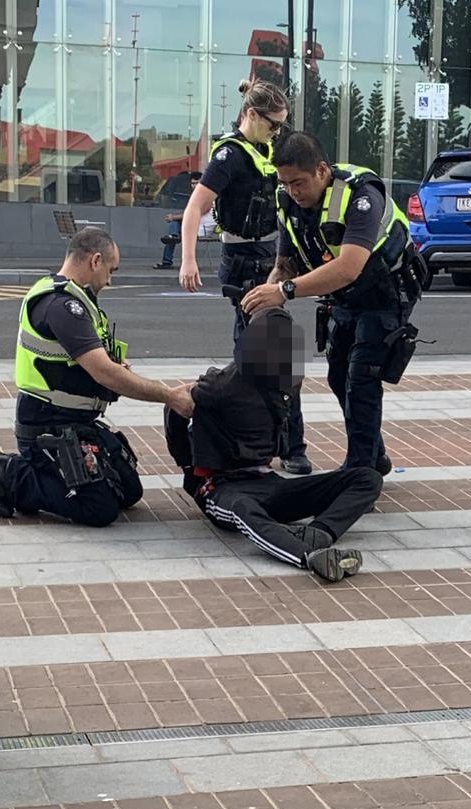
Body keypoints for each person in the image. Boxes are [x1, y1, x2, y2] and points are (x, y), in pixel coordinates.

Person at [0, 227, 194, 527]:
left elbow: (98, 364)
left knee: (129, 492)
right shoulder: (62, 305)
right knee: (100, 510)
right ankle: (10, 475)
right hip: (47, 426)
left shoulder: (77, 299)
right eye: (111, 269)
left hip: (77, 422)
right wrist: (168, 395)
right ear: (95, 261)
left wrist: (118, 367)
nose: (110, 280)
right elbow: (104, 372)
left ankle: (69, 470)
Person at [242, 131, 422, 474]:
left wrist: (285, 292)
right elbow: (286, 263)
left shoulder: (360, 197)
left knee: (362, 378)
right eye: (286, 183)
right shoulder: (289, 202)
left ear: (322, 171)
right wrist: (267, 297)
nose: (293, 191)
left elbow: (349, 266)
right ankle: (375, 456)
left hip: (386, 292)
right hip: (345, 297)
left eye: (299, 182)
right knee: (338, 376)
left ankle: (359, 473)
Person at [164, 307, 382, 582]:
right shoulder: (222, 384)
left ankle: (319, 533)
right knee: (245, 510)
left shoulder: (285, 382)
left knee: (367, 478)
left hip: (270, 483)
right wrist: (188, 469)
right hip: (223, 487)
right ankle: (308, 556)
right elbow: (174, 404)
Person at [179, 78, 311, 477]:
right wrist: (188, 260)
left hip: (272, 255)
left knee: (275, 351)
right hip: (242, 259)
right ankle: (263, 443)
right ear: (251, 115)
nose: (277, 133)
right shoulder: (229, 157)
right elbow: (194, 209)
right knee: (260, 354)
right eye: (273, 124)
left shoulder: (268, 151)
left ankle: (281, 443)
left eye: (281, 127)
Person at [153, 171, 209, 270]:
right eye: (193, 183)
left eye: (197, 183)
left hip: (202, 226)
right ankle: (173, 237)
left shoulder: (205, 196)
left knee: (174, 223)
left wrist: (173, 217)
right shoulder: (193, 196)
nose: (194, 186)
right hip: (193, 223)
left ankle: (172, 241)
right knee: (173, 228)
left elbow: (195, 213)